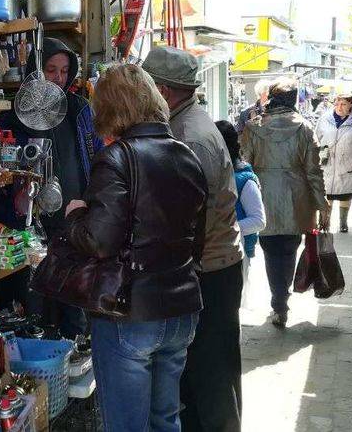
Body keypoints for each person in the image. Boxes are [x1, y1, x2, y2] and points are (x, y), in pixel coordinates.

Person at [64, 63, 207, 432]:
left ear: (108, 107)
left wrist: (75, 215)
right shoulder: (186, 155)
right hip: (180, 307)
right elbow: (198, 241)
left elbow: (98, 240)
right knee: (165, 420)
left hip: (129, 312)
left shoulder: (116, 158)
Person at [143, 46, 244, 432]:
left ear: (163, 91)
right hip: (212, 264)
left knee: (210, 374)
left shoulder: (189, 136)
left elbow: (186, 218)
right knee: (207, 371)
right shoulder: (185, 124)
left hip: (209, 269)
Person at [0, 37, 103, 339]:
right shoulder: (16, 115)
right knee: (34, 293)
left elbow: (96, 153)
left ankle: (74, 345)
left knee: (74, 293)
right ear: (36, 70)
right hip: (31, 221)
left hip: (73, 216)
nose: (58, 78)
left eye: (65, 71)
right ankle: (40, 348)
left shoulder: (78, 109)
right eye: (51, 70)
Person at [241, 79, 330, 328]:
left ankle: (278, 301)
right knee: (289, 249)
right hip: (296, 199)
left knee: (270, 249)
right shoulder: (305, 128)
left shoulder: (253, 127)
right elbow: (314, 171)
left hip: (263, 196)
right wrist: (322, 204)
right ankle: (281, 300)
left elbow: (245, 166)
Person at [216, 120, 266, 298]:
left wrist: (227, 228)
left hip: (238, 251)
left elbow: (259, 221)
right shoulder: (217, 174)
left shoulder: (245, 180)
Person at [314, 94, 352, 232]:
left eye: (343, 104)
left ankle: (343, 222)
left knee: (345, 193)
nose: (339, 107)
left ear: (351, 105)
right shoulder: (325, 119)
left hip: (350, 162)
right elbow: (316, 138)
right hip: (327, 162)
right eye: (337, 104)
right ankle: (324, 223)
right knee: (327, 193)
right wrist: (316, 155)